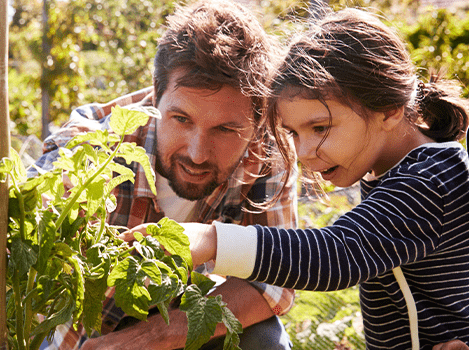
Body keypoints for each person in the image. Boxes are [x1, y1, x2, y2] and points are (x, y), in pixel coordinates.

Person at [162, 7, 469, 350]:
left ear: (389, 109)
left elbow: (337, 253)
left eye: (320, 127)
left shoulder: (429, 181)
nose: (304, 151)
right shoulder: (404, 171)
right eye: (292, 132)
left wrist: (213, 241)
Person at [26, 1, 298, 349]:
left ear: (257, 121)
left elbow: (273, 281)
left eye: (225, 129)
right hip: (87, 333)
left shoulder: (267, 154)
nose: (198, 153)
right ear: (155, 96)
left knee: (263, 340)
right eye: (182, 119)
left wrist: (157, 335)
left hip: (179, 326)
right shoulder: (100, 147)